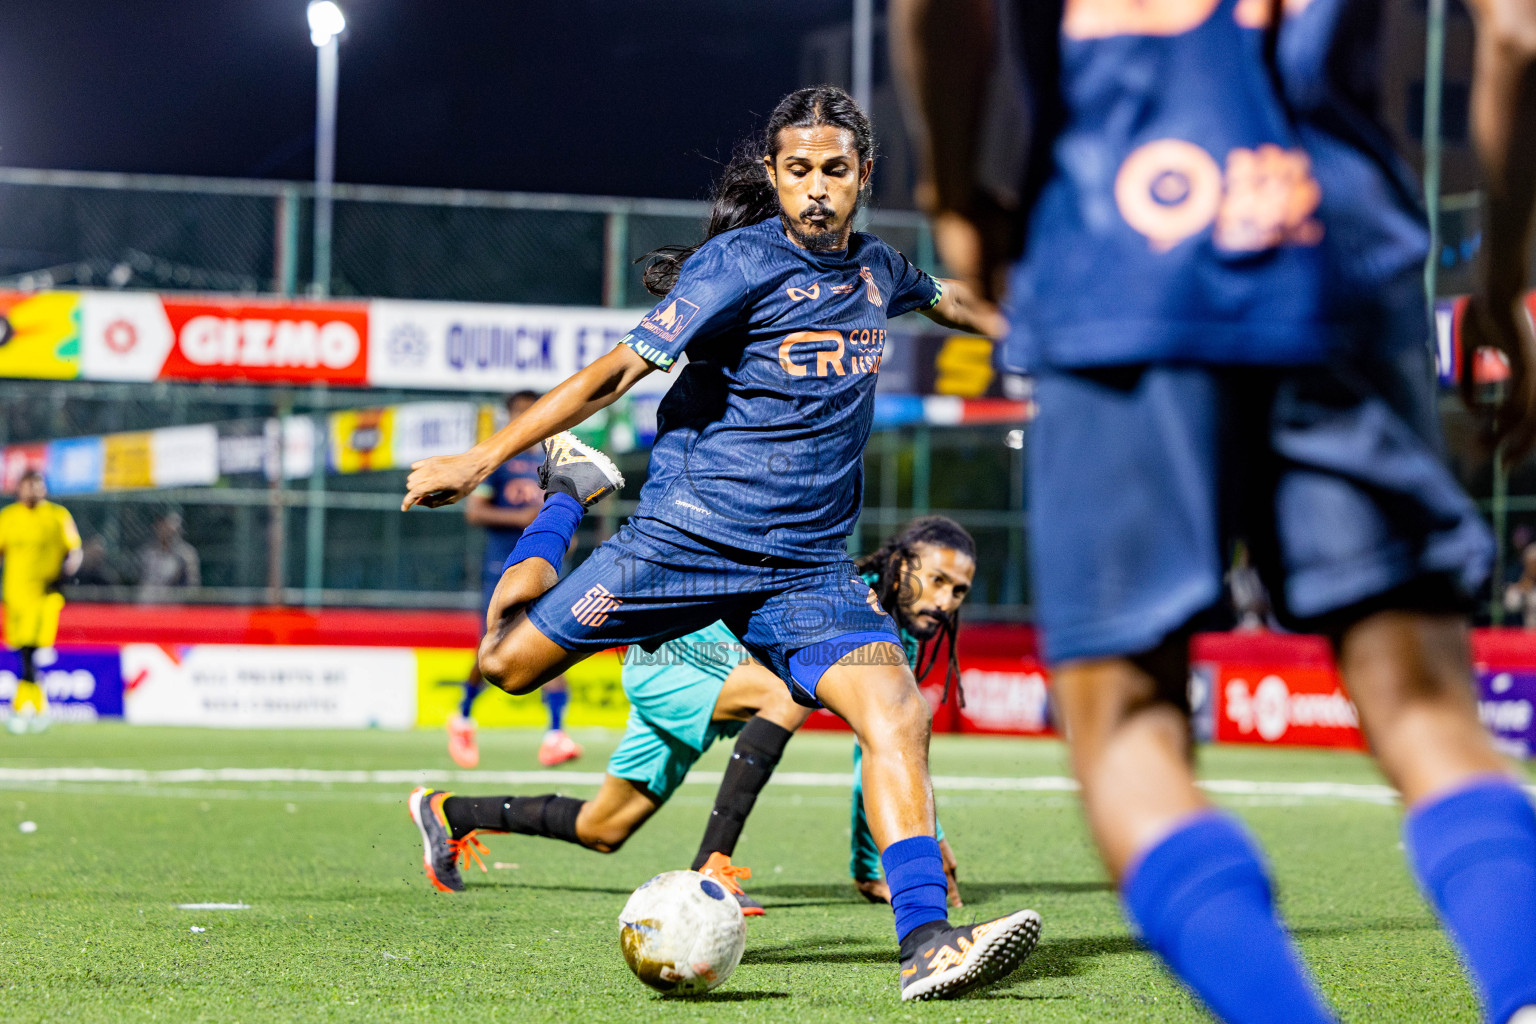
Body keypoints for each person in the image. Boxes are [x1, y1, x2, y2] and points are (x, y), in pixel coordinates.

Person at [893, 0, 1536, 1021]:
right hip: (1341, 265)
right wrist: (1501, 278)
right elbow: (1516, 36)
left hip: (1120, 264)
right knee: (1428, 714)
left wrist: (956, 192)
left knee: (1129, 732)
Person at [402, 86, 1039, 1000]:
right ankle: (571, 495)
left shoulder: (881, 272)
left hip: (805, 571)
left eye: (835, 170)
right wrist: (483, 456)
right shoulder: (736, 265)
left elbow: (949, 300)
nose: (816, 190)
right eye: (797, 171)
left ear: (864, 174)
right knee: (504, 665)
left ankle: (927, 941)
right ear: (775, 177)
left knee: (897, 709)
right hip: (686, 540)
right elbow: (617, 370)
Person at [408, 516, 976, 918]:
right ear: (901, 564)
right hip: (682, 664)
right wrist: (885, 862)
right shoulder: (856, 604)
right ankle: (712, 863)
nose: (946, 599)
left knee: (604, 828)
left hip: (710, 686)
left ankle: (449, 812)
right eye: (937, 579)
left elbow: (874, 755)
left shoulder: (893, 631)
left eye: (960, 591)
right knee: (782, 696)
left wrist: (904, 847)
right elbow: (876, 742)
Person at [451, 390, 581, 769]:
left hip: (546, 566)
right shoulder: (498, 460)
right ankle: (463, 715)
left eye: (533, 412)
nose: (527, 419)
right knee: (492, 645)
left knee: (553, 642)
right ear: (509, 416)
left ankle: (555, 734)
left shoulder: (554, 462)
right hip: (502, 566)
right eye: (519, 413)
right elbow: (475, 512)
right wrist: (522, 519)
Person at [0, 470, 82, 733]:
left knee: (31, 650)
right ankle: (39, 708)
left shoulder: (58, 516)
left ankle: (20, 709)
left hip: (45, 596)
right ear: (19, 488)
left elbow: (74, 551)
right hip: (15, 596)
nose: (33, 490)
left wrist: (65, 575)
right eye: (28, 485)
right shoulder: (8, 517)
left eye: (38, 485)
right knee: (25, 652)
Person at [135, 512, 199, 603]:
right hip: (147, 604)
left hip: (172, 606)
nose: (166, 531)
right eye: (163, 526)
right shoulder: (147, 552)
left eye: (170, 529)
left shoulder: (186, 554)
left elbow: (192, 585)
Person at [1504, 543, 1536, 630]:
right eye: (1532, 564)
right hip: (1522, 636)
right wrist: (1523, 589)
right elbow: (1511, 606)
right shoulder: (1516, 586)